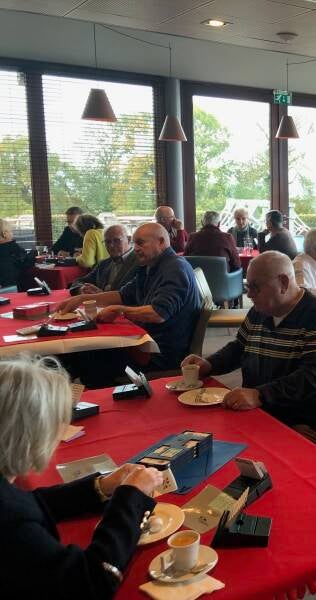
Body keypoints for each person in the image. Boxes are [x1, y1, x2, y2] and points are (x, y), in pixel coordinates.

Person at [0, 355, 163, 599]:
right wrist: (131, 498)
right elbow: (91, 582)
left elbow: (28, 501)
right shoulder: (12, 523)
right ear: (29, 434)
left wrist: (100, 487)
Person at [181, 252, 316, 449]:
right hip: (262, 411)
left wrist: (260, 395)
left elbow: (313, 375)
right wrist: (209, 364)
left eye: (255, 287)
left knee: (247, 457)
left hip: (304, 422)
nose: (249, 295)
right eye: (248, 287)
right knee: (200, 438)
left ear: (283, 283)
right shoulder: (261, 311)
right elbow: (239, 348)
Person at [56, 223, 201, 386]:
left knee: (87, 359)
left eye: (141, 243)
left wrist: (118, 310)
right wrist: (82, 299)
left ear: (161, 242)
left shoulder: (175, 268)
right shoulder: (150, 267)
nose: (136, 248)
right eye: (135, 243)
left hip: (160, 353)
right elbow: (122, 295)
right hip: (145, 343)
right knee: (79, 354)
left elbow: (158, 313)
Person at [69, 224, 138, 296]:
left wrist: (102, 296)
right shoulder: (104, 264)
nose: (111, 245)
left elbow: (136, 295)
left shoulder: (140, 263)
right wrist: (82, 289)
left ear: (129, 239)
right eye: (107, 242)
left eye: (116, 240)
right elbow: (79, 281)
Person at [0, 219, 32, 291]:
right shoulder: (12, 247)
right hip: (11, 289)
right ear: (4, 234)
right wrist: (33, 253)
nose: (12, 233)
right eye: (11, 231)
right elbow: (26, 262)